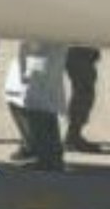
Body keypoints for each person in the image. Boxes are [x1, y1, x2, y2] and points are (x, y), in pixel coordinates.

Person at [5, 40, 67, 172]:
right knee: (16, 95)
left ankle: (50, 158)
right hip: (32, 47)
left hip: (44, 47)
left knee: (37, 100)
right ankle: (36, 148)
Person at [65, 47, 105, 154]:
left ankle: (73, 135)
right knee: (83, 93)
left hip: (82, 51)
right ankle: (73, 136)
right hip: (79, 51)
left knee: (84, 93)